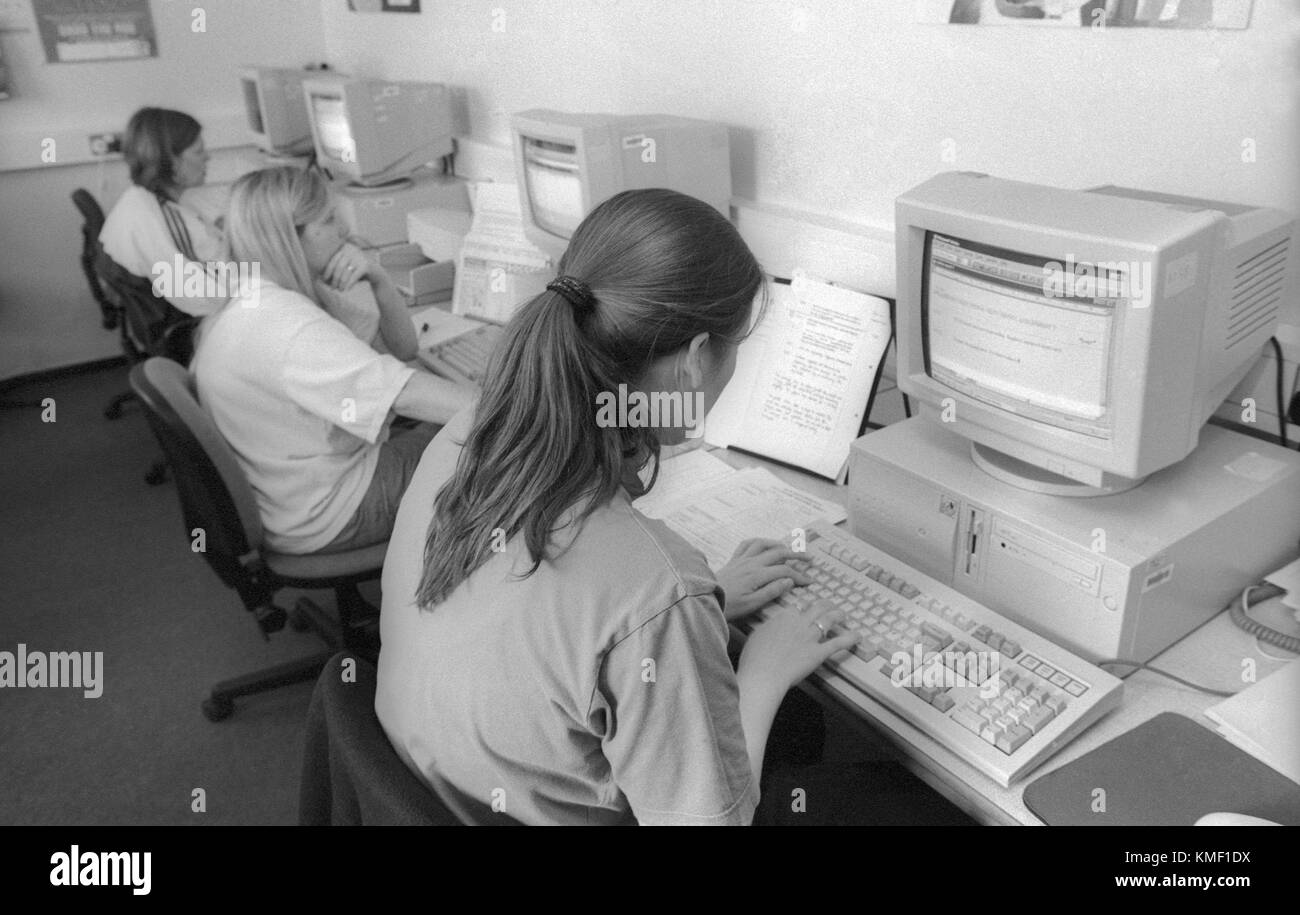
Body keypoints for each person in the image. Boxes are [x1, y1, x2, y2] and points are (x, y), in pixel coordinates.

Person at [376, 189, 973, 826]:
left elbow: (562, 623)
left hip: (446, 792)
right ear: (693, 361)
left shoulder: (463, 436)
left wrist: (699, 602)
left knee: (797, 728)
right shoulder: (653, 587)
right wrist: (762, 673)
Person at [191, 166, 474, 556]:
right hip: (333, 508)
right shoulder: (286, 323)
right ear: (290, 237)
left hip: (294, 495)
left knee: (458, 422)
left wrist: (377, 277)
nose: (341, 228)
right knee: (496, 446)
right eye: (327, 219)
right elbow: (406, 394)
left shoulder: (259, 295)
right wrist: (534, 407)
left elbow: (403, 349)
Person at [99, 107, 230, 317]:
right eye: (198, 151)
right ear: (171, 161)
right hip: (208, 319)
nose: (208, 157)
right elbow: (212, 297)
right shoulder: (157, 219)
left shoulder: (141, 198)